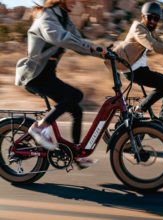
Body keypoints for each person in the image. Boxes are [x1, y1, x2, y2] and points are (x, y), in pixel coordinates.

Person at [15, 0, 107, 167]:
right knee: (75, 95)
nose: (75, 1)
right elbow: (59, 37)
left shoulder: (66, 19)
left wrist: (102, 52)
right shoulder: (47, 16)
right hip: (35, 74)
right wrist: (92, 45)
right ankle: (40, 128)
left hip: (48, 74)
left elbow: (78, 44)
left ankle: (77, 154)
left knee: (77, 110)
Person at [106, 2, 163, 126]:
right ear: (143, 16)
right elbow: (154, 46)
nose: (153, 21)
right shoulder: (138, 28)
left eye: (156, 18)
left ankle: (161, 120)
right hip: (133, 70)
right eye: (150, 17)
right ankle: (138, 110)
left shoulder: (150, 30)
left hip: (141, 69)